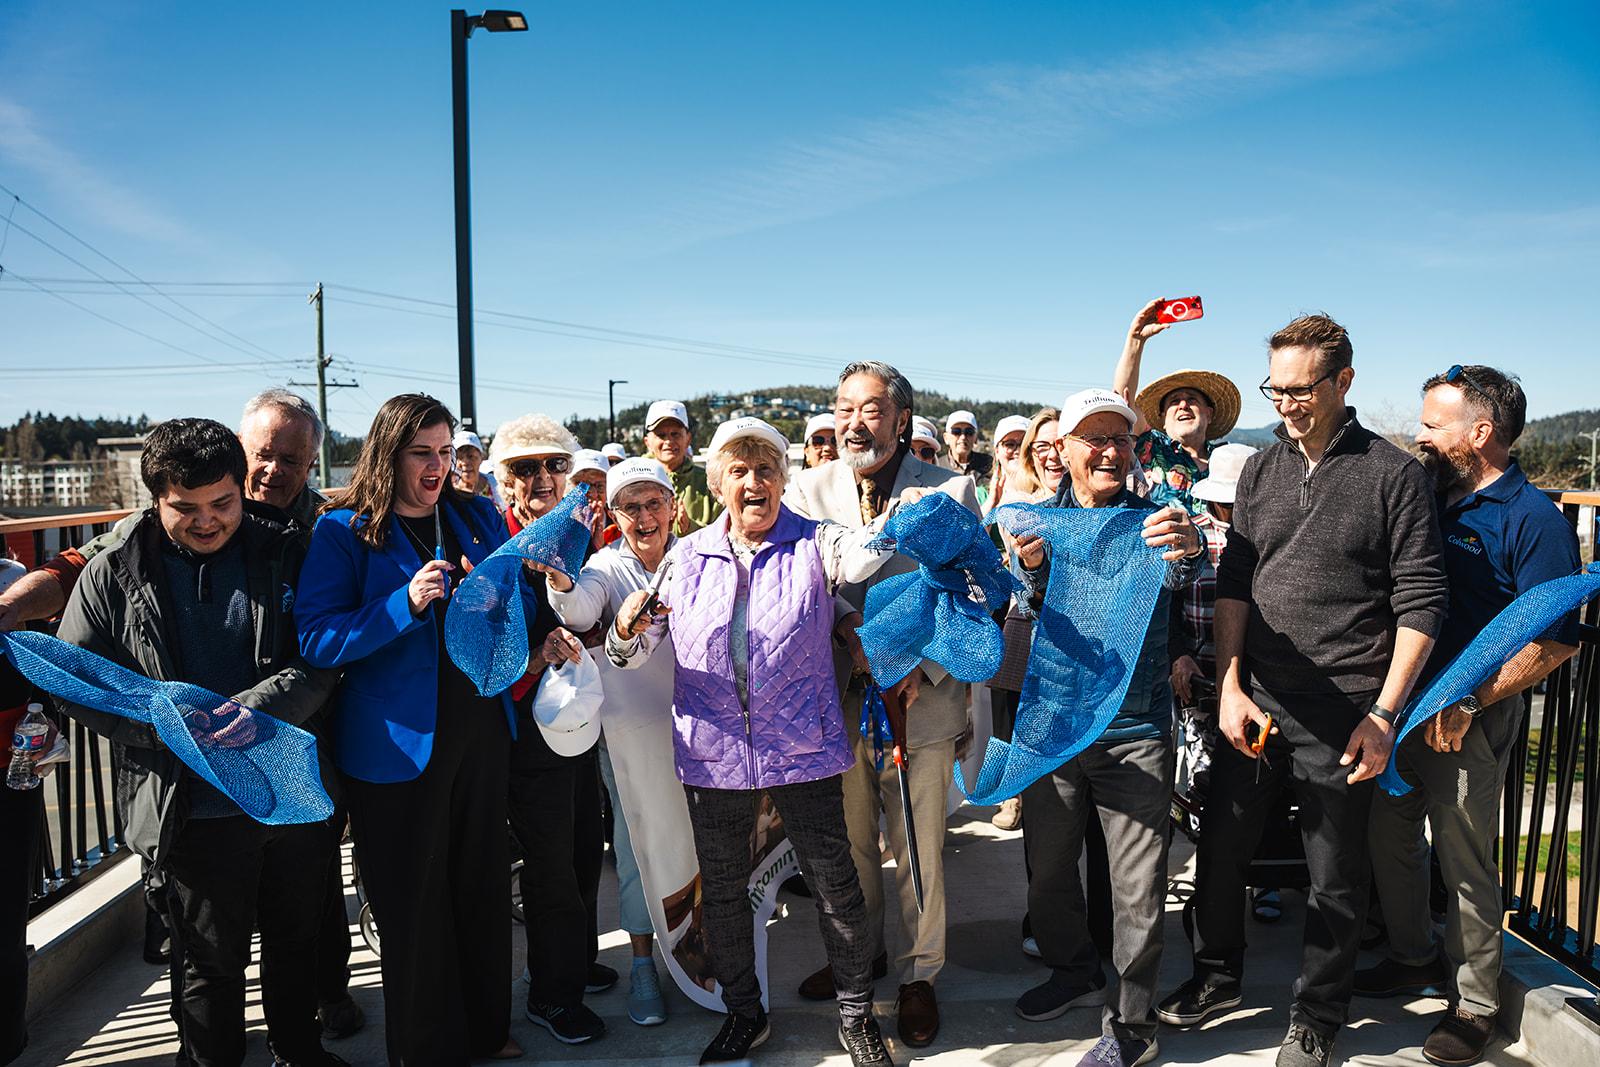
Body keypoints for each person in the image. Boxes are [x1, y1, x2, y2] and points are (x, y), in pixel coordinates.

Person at [0, 389, 366, 1043]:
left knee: (297, 939)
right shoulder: (114, 568)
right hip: (189, 808)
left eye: (223, 503)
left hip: (290, 791)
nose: (208, 520)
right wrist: (174, 728)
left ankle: (299, 1048)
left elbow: (321, 655)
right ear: (155, 498)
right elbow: (81, 681)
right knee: (208, 963)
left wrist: (248, 714)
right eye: (186, 509)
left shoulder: (292, 546)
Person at [1158, 315, 1449, 1067]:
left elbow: (1422, 600)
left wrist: (1383, 713)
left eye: (1300, 389)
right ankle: (1218, 975)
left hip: (1346, 708)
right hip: (1255, 699)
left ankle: (1318, 1014)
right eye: (1275, 389)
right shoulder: (1258, 470)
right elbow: (1235, 585)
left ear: (1343, 381)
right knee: (1221, 850)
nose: (1285, 404)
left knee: (1335, 877)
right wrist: (1227, 683)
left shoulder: (1394, 475)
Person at [607, 416, 902, 1066]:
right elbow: (634, 649)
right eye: (737, 470)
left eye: (765, 468)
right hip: (712, 755)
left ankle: (857, 1017)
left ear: (782, 478)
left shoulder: (816, 544)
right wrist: (625, 630)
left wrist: (903, 520)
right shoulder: (687, 556)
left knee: (836, 886)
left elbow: (863, 553)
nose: (752, 482)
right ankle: (745, 1013)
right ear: (716, 483)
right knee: (725, 892)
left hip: (805, 749)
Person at [1360, 366, 1581, 1067]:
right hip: (1404, 709)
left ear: (1478, 433)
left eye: (1433, 423)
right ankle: (1409, 954)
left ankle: (1476, 1002)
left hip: (1465, 720)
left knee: (1464, 861)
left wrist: (1471, 700)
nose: (1420, 435)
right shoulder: (1432, 495)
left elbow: (1554, 641)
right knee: (1389, 838)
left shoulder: (1533, 519)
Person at [295, 394, 524, 1066]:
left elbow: (521, 601)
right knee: (413, 907)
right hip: (395, 748)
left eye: (446, 452)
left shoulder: (476, 514)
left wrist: (504, 593)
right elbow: (317, 636)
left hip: (479, 728)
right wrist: (403, 602)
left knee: (481, 887)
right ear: (388, 453)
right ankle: (428, 1047)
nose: (437, 466)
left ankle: (488, 1028)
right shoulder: (344, 531)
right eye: (422, 452)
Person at [784, 362, 980, 1050]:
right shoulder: (806, 488)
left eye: (870, 410)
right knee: (849, 842)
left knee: (917, 847)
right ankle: (859, 957)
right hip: (834, 693)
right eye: (843, 408)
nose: (853, 422)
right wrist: (847, 627)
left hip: (919, 699)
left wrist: (914, 662)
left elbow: (967, 590)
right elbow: (797, 580)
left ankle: (920, 974)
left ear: (901, 419)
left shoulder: (950, 488)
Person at [1010, 389, 1204, 1067]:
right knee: (1048, 876)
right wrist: (1032, 569)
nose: (1108, 451)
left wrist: (1189, 545)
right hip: (1055, 729)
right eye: (1091, 438)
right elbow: (1030, 601)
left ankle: (1132, 1025)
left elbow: (1188, 566)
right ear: (1061, 450)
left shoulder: (1156, 519)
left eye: (1118, 439)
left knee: (1137, 890)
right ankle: (1073, 969)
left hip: (1135, 731)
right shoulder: (1038, 522)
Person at [485, 414, 612, 1041]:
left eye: (554, 465)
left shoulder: (570, 539)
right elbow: (475, 651)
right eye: (524, 467)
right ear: (500, 477)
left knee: (587, 845)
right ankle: (552, 995)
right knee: (551, 864)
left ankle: (576, 963)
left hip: (571, 717)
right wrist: (539, 655)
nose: (541, 477)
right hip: (519, 725)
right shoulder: (491, 545)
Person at [541, 457, 679, 1028]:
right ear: (614, 513)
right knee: (635, 849)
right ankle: (644, 965)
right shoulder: (603, 564)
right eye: (631, 506)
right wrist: (560, 578)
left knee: (705, 846)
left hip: (700, 727)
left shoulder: (696, 558)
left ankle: (702, 952)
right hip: (626, 732)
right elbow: (577, 608)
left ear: (674, 506)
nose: (645, 517)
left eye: (654, 504)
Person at [1111, 298, 1243, 515]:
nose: (1183, 405)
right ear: (1162, 417)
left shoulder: (1227, 460)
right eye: (1174, 402)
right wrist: (1135, 340)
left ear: (1209, 414)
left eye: (1192, 399)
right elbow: (1122, 401)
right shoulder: (1151, 446)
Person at [1, 560, 45, 1067]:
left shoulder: (13, 579)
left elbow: (41, 672)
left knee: (6, 923)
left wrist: (45, 722)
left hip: (10, 772)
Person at [644, 400, 721, 535]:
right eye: (661, 435)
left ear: (688, 439)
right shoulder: (634, 484)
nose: (668, 441)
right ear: (647, 442)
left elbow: (722, 534)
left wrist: (691, 528)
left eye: (675, 434)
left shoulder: (709, 482)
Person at [983, 414, 1031, 516]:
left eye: (1024, 444)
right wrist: (991, 503)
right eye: (1009, 444)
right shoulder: (981, 496)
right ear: (997, 451)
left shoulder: (1046, 493)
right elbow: (972, 531)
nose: (1018, 451)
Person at [942, 410, 993, 481]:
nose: (963, 437)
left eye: (969, 432)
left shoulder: (989, 464)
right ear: (946, 438)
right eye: (956, 432)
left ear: (975, 438)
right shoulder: (936, 466)